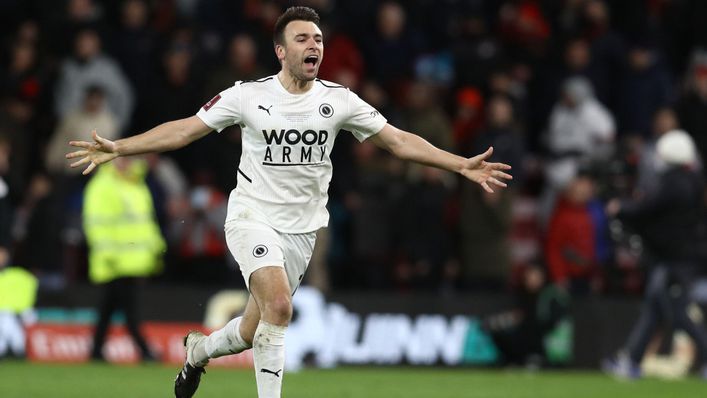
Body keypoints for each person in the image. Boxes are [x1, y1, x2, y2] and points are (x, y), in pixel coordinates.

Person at [65, 7, 512, 398]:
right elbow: (184, 130)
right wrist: (121, 147)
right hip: (251, 216)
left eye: (318, 38)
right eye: (302, 38)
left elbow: (397, 141)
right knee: (280, 305)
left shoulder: (338, 101)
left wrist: (460, 165)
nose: (313, 45)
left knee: (249, 330)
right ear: (281, 50)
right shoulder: (248, 96)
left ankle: (198, 351)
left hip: (302, 230)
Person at [603, 130, 707, 379]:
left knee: (676, 311)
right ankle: (632, 360)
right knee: (655, 307)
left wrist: (621, 208)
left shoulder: (674, 183)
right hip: (678, 256)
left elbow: (647, 210)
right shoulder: (692, 180)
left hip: (676, 258)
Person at [82, 157, 164, 362]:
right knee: (129, 309)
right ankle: (144, 350)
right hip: (115, 262)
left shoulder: (136, 184)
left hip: (136, 261)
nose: (126, 163)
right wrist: (108, 255)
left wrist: (155, 249)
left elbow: (145, 222)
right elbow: (95, 223)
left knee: (109, 308)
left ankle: (96, 350)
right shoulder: (102, 186)